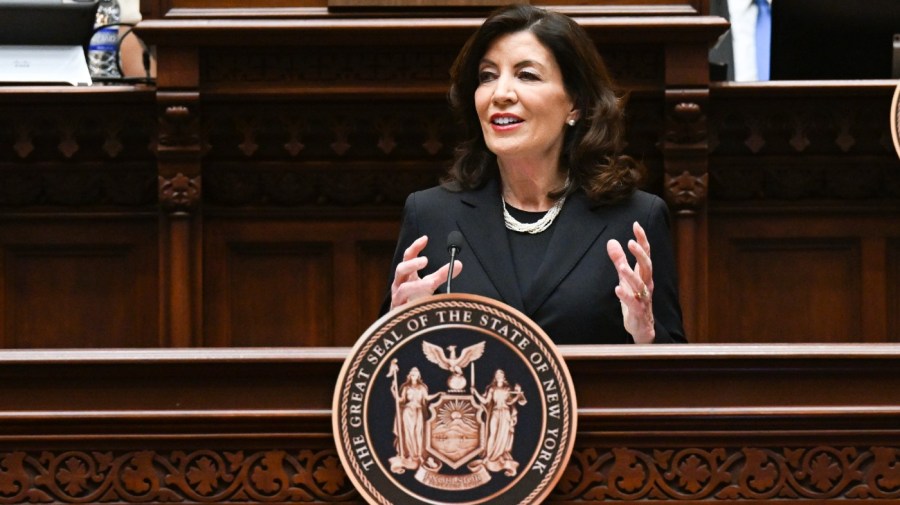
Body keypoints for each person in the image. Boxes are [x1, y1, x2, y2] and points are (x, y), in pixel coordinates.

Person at [383, 4, 686, 345]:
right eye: (487, 76)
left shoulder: (633, 220)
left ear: (575, 105)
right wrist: (397, 326)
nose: (500, 94)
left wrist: (645, 333)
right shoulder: (431, 217)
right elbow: (382, 376)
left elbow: (675, 381)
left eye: (527, 75)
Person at [471, 369, 526, 476]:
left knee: (503, 436)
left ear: (503, 376)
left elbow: (510, 402)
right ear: (495, 377)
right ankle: (490, 455)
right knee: (492, 434)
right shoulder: (492, 388)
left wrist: (518, 395)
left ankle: (500, 455)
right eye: (497, 374)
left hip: (505, 413)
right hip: (495, 412)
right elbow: (486, 401)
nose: (499, 375)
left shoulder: (508, 389)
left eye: (501, 374)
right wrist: (475, 392)